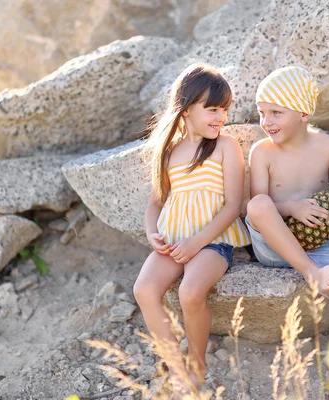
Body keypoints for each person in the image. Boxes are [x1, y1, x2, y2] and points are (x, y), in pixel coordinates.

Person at [245, 66, 329, 391]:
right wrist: (290, 207)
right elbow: (256, 206)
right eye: (261, 113)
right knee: (258, 205)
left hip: (317, 243)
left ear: (303, 112)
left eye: (276, 113)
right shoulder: (262, 152)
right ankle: (312, 274)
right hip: (274, 242)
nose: (266, 122)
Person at [133, 63, 250, 386]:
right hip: (173, 239)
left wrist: (196, 242)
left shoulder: (226, 146)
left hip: (213, 241)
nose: (220, 118)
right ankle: (175, 365)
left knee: (190, 291)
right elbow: (155, 203)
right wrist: (152, 234)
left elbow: (232, 206)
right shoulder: (169, 152)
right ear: (186, 110)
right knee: (144, 289)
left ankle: (197, 364)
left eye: (224, 110)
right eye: (212, 109)